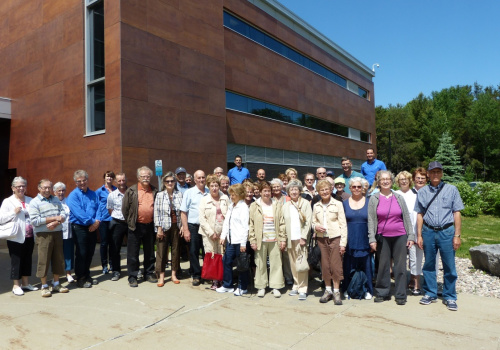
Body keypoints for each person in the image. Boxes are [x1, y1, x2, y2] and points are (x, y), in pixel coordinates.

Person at [416, 161, 464, 311]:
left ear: (442, 173)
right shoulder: (422, 192)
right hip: (428, 231)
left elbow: (457, 212)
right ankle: (430, 292)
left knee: (449, 265)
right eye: (433, 172)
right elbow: (420, 214)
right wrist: (419, 235)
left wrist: (457, 235)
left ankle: (450, 295)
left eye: (438, 171)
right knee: (429, 264)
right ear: (428, 174)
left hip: (446, 232)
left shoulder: (452, 190)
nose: (435, 174)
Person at [368, 170, 415, 305]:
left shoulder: (399, 197)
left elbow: (406, 217)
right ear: (378, 181)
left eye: (388, 179)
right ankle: (382, 292)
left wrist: (410, 235)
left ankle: (400, 294)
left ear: (392, 180)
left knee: (400, 267)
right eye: (382, 179)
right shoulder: (374, 198)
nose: (385, 181)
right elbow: (371, 220)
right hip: (383, 237)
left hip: (400, 235)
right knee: (383, 266)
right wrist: (372, 239)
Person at [29, 179, 69, 297]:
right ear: (39, 188)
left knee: (58, 259)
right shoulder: (34, 202)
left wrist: (56, 223)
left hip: (57, 233)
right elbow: (35, 221)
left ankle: (56, 283)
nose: (47, 190)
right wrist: (54, 219)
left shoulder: (56, 199)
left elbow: (63, 214)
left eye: (49, 188)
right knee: (44, 260)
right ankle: (44, 286)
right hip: (43, 235)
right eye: (44, 188)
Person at [122, 166, 158, 287]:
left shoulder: (154, 190)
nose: (145, 178)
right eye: (143, 176)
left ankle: (148, 273)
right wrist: (130, 221)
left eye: (148, 176)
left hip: (150, 226)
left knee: (149, 252)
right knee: (133, 253)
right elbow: (125, 209)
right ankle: (132, 276)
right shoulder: (131, 191)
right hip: (135, 226)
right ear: (138, 177)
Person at [312, 179, 347, 305]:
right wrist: (315, 226)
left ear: (331, 190)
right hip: (322, 239)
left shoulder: (337, 204)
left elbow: (343, 224)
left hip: (335, 238)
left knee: (335, 265)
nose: (325, 191)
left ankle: (336, 291)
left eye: (327, 189)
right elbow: (313, 221)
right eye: (322, 190)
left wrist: (343, 243)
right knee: (325, 265)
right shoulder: (316, 206)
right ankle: (328, 290)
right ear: (318, 192)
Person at [0, 177, 37, 296]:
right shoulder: (8, 201)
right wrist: (13, 212)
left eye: (23, 186)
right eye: (18, 186)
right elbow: (1, 219)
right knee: (17, 261)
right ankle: (16, 285)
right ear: (13, 188)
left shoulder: (30, 200)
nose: (21, 188)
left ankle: (25, 284)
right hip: (16, 236)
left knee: (27, 259)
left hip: (30, 236)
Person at [249, 181, 286, 298]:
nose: (267, 193)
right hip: (261, 239)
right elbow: (251, 224)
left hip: (275, 239)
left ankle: (276, 286)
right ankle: (261, 286)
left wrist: (283, 239)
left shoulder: (277, 204)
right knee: (260, 263)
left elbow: (282, 223)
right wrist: (253, 240)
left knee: (276, 263)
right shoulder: (254, 205)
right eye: (264, 191)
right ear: (260, 192)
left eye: (268, 191)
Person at [67, 170, 100, 288]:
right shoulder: (73, 196)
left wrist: (97, 222)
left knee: (90, 252)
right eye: (79, 181)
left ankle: (87, 275)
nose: (82, 182)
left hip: (92, 226)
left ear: (87, 180)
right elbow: (78, 213)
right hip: (80, 227)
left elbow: (99, 208)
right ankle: (80, 279)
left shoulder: (93, 194)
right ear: (75, 182)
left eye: (84, 180)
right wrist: (93, 222)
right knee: (81, 253)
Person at [342, 177, 373, 300]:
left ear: (363, 188)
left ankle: (367, 290)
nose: (356, 189)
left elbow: (373, 222)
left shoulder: (369, 202)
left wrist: (372, 240)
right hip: (349, 240)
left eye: (359, 187)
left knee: (366, 267)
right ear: (349, 188)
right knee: (348, 267)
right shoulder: (344, 204)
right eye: (354, 187)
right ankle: (347, 289)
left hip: (365, 239)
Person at [216, 184, 250, 296]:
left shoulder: (243, 207)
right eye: (230, 194)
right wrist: (223, 236)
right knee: (226, 261)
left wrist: (243, 243)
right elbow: (227, 223)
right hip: (231, 241)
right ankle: (227, 285)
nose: (231, 196)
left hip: (240, 241)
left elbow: (245, 226)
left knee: (241, 265)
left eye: (233, 194)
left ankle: (242, 287)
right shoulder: (231, 206)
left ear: (240, 195)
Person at [282, 179, 312, 300]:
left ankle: (303, 288)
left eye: (296, 189)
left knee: (301, 264)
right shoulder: (286, 206)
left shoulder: (305, 203)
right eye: (291, 190)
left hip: (301, 239)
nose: (294, 192)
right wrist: (283, 238)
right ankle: (296, 285)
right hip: (290, 238)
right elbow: (283, 223)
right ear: (288, 192)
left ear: (299, 191)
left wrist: (303, 237)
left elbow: (308, 221)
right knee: (293, 264)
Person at [199, 174, 229, 290]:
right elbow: (202, 219)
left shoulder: (225, 198)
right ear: (208, 187)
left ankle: (222, 279)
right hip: (209, 234)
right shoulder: (204, 200)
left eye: (216, 185)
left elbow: (229, 215)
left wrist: (224, 233)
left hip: (223, 233)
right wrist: (211, 233)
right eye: (212, 186)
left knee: (222, 256)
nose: (214, 188)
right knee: (212, 256)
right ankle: (214, 280)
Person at [154, 171, 183, 286]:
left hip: (176, 225)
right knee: (161, 251)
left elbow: (183, 211)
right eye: (167, 181)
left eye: (172, 181)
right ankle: (161, 276)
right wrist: (159, 228)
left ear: (175, 182)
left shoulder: (179, 194)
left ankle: (173, 274)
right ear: (164, 183)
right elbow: (156, 212)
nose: (170, 183)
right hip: (164, 226)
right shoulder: (160, 195)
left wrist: (183, 226)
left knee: (176, 250)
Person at [180, 170, 209, 286]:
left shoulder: (209, 191)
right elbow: (183, 212)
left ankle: (207, 274)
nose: (201, 180)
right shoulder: (189, 192)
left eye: (203, 177)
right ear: (194, 179)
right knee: (193, 251)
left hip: (207, 227)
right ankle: (196, 275)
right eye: (199, 178)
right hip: (193, 226)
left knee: (207, 251)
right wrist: (186, 229)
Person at [395, 170, 420, 294]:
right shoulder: (395, 194)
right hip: (398, 230)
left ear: (410, 181)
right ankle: (401, 281)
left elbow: (417, 214)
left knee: (414, 257)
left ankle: (415, 281)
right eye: (401, 179)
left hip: (413, 229)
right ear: (398, 182)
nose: (404, 181)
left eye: (406, 179)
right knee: (400, 258)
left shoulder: (415, 195)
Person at [106, 173, 128, 281]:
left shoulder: (131, 193)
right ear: (116, 182)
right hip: (117, 223)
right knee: (115, 248)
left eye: (123, 180)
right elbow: (110, 210)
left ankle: (134, 270)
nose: (122, 183)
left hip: (129, 223)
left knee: (133, 248)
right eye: (119, 181)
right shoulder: (112, 195)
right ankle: (116, 271)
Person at [95, 171, 117, 274]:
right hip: (103, 220)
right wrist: (97, 219)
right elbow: (96, 206)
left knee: (113, 243)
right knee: (104, 243)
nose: (109, 178)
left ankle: (112, 264)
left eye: (111, 177)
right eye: (108, 176)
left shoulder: (116, 190)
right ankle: (104, 265)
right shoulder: (99, 191)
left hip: (114, 219)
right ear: (104, 178)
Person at [53, 182, 75, 283]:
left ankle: (68, 273)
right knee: (56, 255)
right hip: (55, 232)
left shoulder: (68, 201)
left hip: (68, 232)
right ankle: (56, 275)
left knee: (68, 253)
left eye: (63, 190)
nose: (61, 192)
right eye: (59, 190)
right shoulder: (51, 202)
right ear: (54, 192)